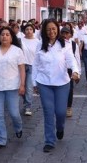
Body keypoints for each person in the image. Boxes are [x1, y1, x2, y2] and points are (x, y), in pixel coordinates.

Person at [32, 19, 79, 152]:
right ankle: (49, 141)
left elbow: (71, 60)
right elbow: (35, 64)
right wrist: (34, 82)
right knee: (48, 111)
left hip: (62, 83)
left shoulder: (64, 44)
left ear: (57, 30)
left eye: (53, 29)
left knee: (60, 111)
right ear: (44, 32)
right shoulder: (40, 44)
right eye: (48, 30)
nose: (51, 32)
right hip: (44, 83)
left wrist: (75, 71)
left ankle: (60, 127)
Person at [0, 27, 25, 149]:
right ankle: (1, 139)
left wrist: (22, 84)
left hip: (13, 87)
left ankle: (18, 127)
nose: (5, 37)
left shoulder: (17, 51)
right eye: (2, 34)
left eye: (7, 34)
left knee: (14, 113)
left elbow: (22, 69)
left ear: (11, 37)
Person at [60, 25, 81, 118]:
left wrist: (78, 73)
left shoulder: (73, 45)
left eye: (67, 33)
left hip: (69, 70)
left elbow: (77, 59)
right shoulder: (57, 43)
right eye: (63, 33)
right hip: (59, 69)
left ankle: (69, 107)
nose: (64, 35)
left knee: (70, 89)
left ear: (70, 35)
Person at [20, 23, 39, 116]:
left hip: (32, 66)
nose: (29, 31)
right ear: (24, 31)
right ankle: (25, 101)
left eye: (30, 29)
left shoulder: (37, 42)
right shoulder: (20, 40)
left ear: (33, 31)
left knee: (29, 87)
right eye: (27, 29)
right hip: (22, 66)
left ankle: (28, 106)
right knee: (21, 87)